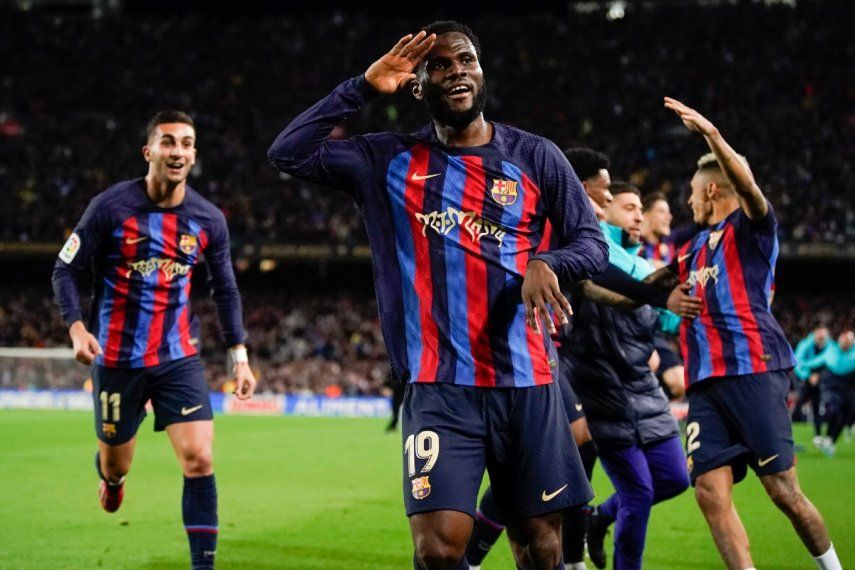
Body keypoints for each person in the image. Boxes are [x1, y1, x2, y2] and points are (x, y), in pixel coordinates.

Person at [268, 21, 609, 570]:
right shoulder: (386, 162)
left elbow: (592, 243)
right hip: (439, 387)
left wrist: (550, 260)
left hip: (527, 381)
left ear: (481, 71)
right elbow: (288, 152)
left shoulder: (536, 157)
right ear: (418, 85)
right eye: (440, 65)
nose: (457, 72)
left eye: (466, 61)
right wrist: (360, 87)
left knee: (540, 547)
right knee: (438, 550)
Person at [51, 110, 257, 570]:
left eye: (186, 143)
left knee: (199, 459)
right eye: (168, 142)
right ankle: (112, 476)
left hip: (177, 358)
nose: (178, 151)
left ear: (194, 154)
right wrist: (77, 327)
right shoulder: (110, 208)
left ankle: (202, 564)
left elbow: (224, 289)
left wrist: (239, 356)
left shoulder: (208, 219)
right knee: (117, 464)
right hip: (117, 359)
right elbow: (65, 269)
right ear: (149, 152)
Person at [664, 97, 842, 570]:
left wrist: (713, 136)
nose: (687, 200)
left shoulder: (753, 230)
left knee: (783, 492)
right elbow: (647, 291)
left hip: (754, 370)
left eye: (692, 191)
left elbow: (748, 186)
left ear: (714, 191)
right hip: (706, 384)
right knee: (707, 490)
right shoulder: (689, 251)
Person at [465, 149, 611, 570]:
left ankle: (562, 549)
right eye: (600, 194)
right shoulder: (543, 215)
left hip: (547, 350)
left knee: (562, 453)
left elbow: (586, 274)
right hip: (525, 351)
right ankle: (565, 554)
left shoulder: (577, 229)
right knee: (573, 442)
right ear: (580, 189)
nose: (602, 203)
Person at [567, 183, 690, 570]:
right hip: (604, 392)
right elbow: (608, 289)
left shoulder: (645, 264)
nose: (639, 216)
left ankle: (601, 517)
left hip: (643, 390)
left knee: (674, 479)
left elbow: (668, 317)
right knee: (638, 493)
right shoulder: (593, 252)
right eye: (629, 208)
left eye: (641, 208)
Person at [800, 330, 855, 456]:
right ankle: (825, 437)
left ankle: (830, 439)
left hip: (850, 389)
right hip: (832, 388)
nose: (845, 344)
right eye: (843, 341)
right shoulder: (831, 351)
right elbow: (814, 362)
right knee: (833, 410)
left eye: (848, 342)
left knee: (846, 414)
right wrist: (806, 372)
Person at [792, 326, 832, 447]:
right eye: (819, 334)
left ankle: (818, 436)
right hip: (805, 380)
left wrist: (819, 376)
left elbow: (830, 364)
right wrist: (808, 376)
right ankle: (787, 435)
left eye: (823, 335)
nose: (821, 337)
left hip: (820, 380)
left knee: (817, 407)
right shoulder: (805, 345)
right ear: (814, 334)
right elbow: (797, 361)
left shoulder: (829, 346)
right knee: (798, 405)